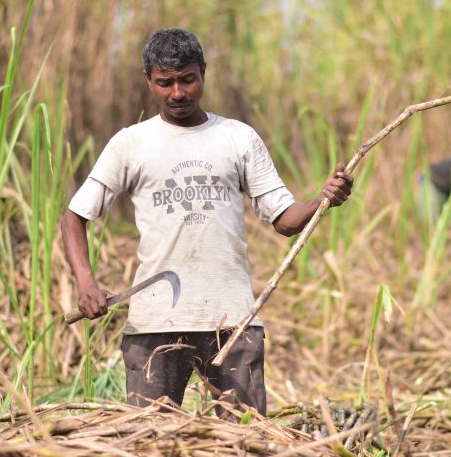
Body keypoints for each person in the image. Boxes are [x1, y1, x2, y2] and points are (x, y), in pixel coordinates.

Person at [59, 28, 353, 414]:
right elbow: (73, 217)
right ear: (148, 80)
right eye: (165, 83)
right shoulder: (131, 143)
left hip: (232, 322)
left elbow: (283, 219)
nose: (177, 93)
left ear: (203, 73)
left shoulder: (237, 138)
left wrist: (322, 201)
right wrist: (86, 285)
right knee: (152, 443)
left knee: (244, 440)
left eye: (187, 80)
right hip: (155, 324)